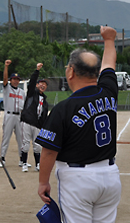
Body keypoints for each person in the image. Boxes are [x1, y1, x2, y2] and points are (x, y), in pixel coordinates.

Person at [37, 26, 121, 223]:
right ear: (96, 73)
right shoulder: (109, 91)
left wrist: (43, 182)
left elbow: (49, 151)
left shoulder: (63, 108)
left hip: (78, 180)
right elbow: (109, 63)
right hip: (110, 176)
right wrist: (109, 39)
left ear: (71, 72)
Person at [0, 60, 28, 168]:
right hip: (9, 115)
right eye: (14, 79)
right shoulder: (7, 88)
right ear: (11, 80)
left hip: (19, 116)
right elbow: (4, 79)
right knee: (6, 137)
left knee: (21, 138)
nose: (15, 81)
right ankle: (2, 158)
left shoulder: (21, 92)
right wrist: (6, 66)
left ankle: (22, 159)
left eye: (17, 79)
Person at [20, 63, 48, 172]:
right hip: (27, 121)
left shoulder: (45, 100)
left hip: (37, 124)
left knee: (37, 146)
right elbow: (31, 83)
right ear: (37, 85)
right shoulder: (32, 93)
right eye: (41, 83)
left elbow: (44, 114)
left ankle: (38, 164)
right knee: (25, 144)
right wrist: (37, 70)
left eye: (45, 84)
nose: (43, 85)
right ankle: (24, 163)